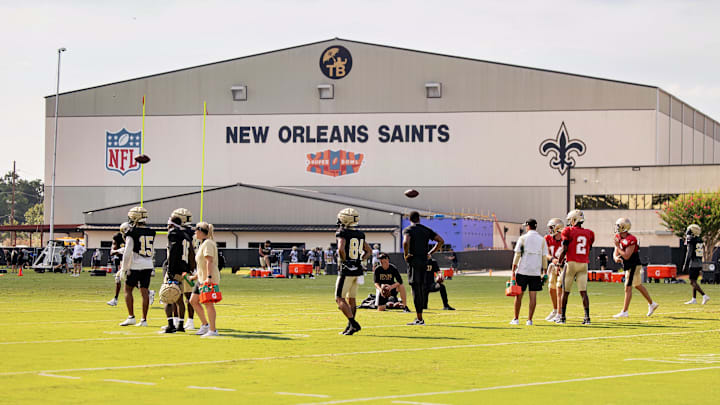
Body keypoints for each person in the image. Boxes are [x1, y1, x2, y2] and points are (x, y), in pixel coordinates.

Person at [403, 210, 445, 326]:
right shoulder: (426, 230)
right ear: (419, 219)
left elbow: (406, 242)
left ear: (409, 219)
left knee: (415, 289)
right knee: (421, 288)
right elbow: (441, 241)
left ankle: (419, 318)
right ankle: (419, 317)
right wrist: (430, 253)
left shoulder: (408, 230)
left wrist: (406, 254)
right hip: (424, 262)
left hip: (414, 261)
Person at [612, 218, 659, 318]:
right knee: (637, 285)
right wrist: (615, 257)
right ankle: (652, 304)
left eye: (619, 226)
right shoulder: (618, 236)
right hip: (628, 265)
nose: (617, 228)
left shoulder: (631, 239)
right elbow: (616, 251)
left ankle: (625, 311)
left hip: (633, 265)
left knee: (627, 287)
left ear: (624, 227)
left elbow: (626, 255)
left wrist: (618, 248)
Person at [335, 207, 372, 335]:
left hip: (347, 270)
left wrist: (345, 261)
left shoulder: (342, 232)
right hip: (358, 270)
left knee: (339, 298)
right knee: (351, 298)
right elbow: (369, 251)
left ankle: (353, 323)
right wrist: (360, 260)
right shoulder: (360, 234)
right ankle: (350, 326)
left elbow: (341, 249)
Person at [119, 207, 156, 327]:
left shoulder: (132, 232)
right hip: (148, 264)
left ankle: (131, 317)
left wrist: (123, 269)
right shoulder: (151, 231)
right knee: (144, 292)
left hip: (135, 265)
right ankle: (144, 320)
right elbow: (152, 250)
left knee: (128, 290)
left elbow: (127, 251)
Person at [556, 210, 594, 325]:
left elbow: (565, 248)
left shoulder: (568, 230)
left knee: (565, 292)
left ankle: (562, 317)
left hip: (571, 263)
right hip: (583, 264)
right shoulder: (589, 233)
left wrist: (559, 262)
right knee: (583, 292)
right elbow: (589, 248)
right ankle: (587, 318)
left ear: (574, 219)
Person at [161, 209, 196, 333]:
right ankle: (181, 324)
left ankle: (171, 324)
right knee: (183, 298)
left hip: (175, 269)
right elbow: (192, 252)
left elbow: (173, 253)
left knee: (168, 296)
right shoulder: (188, 234)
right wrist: (192, 268)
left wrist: (170, 271)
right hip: (186, 270)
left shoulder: (174, 233)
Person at [510, 219, 548, 325]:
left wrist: (513, 269)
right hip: (535, 272)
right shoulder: (542, 240)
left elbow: (517, 254)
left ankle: (516, 319)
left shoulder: (522, 238)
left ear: (527, 227)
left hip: (522, 270)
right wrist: (545, 271)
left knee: (519, 296)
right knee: (533, 296)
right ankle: (529, 320)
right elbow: (544, 257)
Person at [188, 221, 220, 337]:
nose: (195, 232)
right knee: (193, 301)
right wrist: (196, 276)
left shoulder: (208, 244)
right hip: (202, 278)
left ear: (201, 231)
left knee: (208, 304)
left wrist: (209, 277)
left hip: (207, 279)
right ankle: (205, 325)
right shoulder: (203, 244)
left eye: (196, 230)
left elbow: (209, 261)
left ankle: (213, 330)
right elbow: (202, 264)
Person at [683, 224, 710, 305]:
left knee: (692, 282)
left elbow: (689, 253)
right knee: (694, 281)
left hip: (693, 262)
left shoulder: (692, 240)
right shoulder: (699, 239)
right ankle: (694, 299)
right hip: (699, 262)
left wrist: (685, 264)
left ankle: (704, 295)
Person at [544, 218, 565, 322]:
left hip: (563, 266)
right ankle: (555, 310)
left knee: (559, 289)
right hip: (553, 265)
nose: (550, 230)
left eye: (552, 227)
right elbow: (546, 254)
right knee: (551, 288)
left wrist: (560, 262)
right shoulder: (547, 238)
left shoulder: (565, 238)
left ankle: (560, 313)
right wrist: (553, 260)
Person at [107, 223, 130, 306]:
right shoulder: (117, 237)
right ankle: (149, 293)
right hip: (124, 262)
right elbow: (111, 252)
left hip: (132, 261)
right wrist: (119, 250)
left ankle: (115, 299)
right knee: (127, 280)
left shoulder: (133, 237)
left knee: (120, 278)